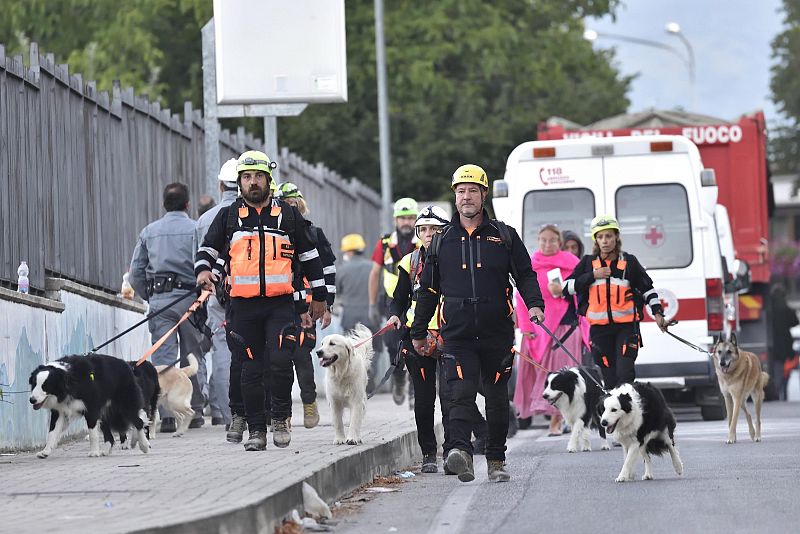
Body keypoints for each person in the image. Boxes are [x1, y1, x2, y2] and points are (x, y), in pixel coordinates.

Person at [411, 164, 545, 483]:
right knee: (460, 393)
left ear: (483, 195)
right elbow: (428, 290)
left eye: (472, 190)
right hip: (456, 334)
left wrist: (536, 304)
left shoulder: (504, 235)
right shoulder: (441, 241)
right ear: (454, 197)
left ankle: (496, 459)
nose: (466, 197)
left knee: (497, 398)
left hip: (496, 332)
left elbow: (525, 274)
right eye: (460, 191)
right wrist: (417, 331)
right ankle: (461, 453)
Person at [195, 150, 327, 451]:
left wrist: (319, 298)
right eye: (246, 178)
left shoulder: (288, 215)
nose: (252, 183)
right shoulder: (228, 216)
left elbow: (310, 256)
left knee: (280, 362)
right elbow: (209, 249)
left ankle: (280, 418)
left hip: (280, 304)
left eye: (258, 177)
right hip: (243, 306)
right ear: (239, 183)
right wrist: (204, 271)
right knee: (250, 368)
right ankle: (256, 429)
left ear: (268, 180)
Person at [130, 182, 206, 433]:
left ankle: (166, 416)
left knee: (162, 359)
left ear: (164, 204)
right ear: (187, 204)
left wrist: (150, 297)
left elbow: (136, 274)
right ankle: (194, 411)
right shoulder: (196, 229)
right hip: (189, 300)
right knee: (193, 354)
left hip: (161, 300)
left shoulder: (149, 231)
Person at [561, 215, 668, 390]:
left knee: (625, 374)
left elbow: (648, 289)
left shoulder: (629, 262)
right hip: (599, 330)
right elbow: (566, 288)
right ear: (595, 239)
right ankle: (613, 414)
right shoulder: (587, 263)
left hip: (626, 328)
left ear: (616, 237)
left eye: (609, 236)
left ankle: (630, 412)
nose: (605, 241)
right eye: (600, 236)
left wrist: (658, 314)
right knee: (609, 380)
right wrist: (592, 276)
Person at [387, 205, 452, 473]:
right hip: (418, 338)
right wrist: (394, 316)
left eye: (434, 229)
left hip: (450, 337)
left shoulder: (456, 259)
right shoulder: (409, 262)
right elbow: (399, 300)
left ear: (445, 231)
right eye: (423, 229)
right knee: (424, 401)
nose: (428, 234)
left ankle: (453, 450)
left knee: (451, 399)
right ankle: (428, 453)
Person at [514, 224, 588, 436]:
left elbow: (582, 291)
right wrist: (526, 327)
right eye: (543, 240)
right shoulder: (530, 264)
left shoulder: (572, 263)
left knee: (564, 374)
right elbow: (520, 297)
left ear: (559, 243)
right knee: (542, 376)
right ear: (538, 242)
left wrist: (565, 290)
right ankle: (555, 415)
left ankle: (558, 420)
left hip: (566, 327)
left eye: (552, 240)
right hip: (538, 328)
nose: (547, 244)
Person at [276, 181, 336, 428]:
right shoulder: (273, 235)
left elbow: (328, 269)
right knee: (279, 359)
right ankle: (283, 413)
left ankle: (309, 403)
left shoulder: (314, 234)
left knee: (302, 356)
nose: (290, 208)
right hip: (280, 304)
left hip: (309, 306)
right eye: (286, 204)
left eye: (294, 204)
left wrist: (327, 304)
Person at [193, 158, 239, 429]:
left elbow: (197, 262)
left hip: (216, 296)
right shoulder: (253, 212)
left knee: (222, 353)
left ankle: (230, 418)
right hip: (252, 294)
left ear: (221, 185)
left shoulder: (204, 220)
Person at [368, 198, 420, 402]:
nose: (406, 222)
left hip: (417, 300)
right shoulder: (385, 244)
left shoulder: (422, 242)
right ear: (395, 220)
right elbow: (374, 274)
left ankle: (416, 388)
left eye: (410, 218)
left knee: (418, 342)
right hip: (393, 303)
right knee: (392, 343)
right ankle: (398, 378)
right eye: (402, 218)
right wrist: (373, 304)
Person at [769, 283, 797, 400]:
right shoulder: (787, 310)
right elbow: (795, 322)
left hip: (774, 343)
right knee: (786, 370)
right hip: (786, 344)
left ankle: (777, 390)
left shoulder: (770, 311)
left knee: (777, 369)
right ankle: (783, 392)